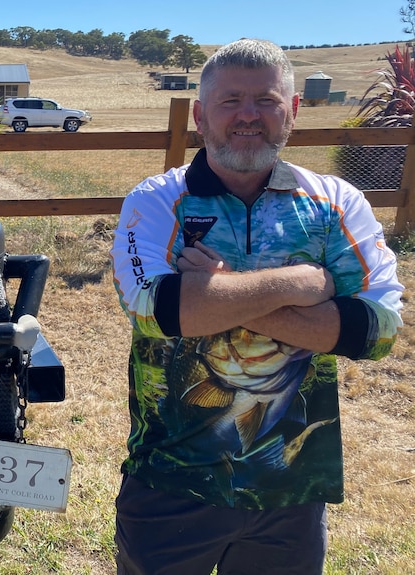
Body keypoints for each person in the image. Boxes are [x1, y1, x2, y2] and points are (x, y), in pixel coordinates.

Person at [110, 39, 404, 575]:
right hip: (170, 479)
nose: (249, 116)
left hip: (292, 488)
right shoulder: (155, 201)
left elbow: (377, 331)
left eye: (266, 100)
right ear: (199, 116)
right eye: (230, 101)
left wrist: (218, 289)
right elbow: (156, 311)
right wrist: (305, 282)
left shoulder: (336, 203)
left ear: (292, 112)